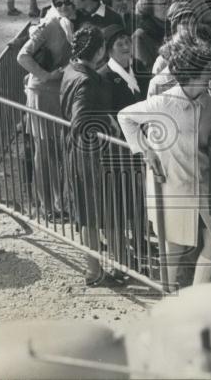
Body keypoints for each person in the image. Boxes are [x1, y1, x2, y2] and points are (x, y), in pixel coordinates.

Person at [118, 35, 211, 291]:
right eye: (209, 66)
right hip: (171, 183)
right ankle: (166, 292)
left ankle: (196, 295)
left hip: (201, 181)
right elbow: (125, 117)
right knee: (172, 245)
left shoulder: (210, 103)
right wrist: (145, 151)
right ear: (195, 71)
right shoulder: (163, 103)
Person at [60, 26, 122, 287]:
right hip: (91, 157)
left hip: (81, 154)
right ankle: (95, 271)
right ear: (98, 51)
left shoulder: (71, 70)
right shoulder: (86, 80)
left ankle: (98, 268)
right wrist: (107, 121)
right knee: (94, 216)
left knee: (92, 215)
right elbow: (81, 121)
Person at [17, 0, 75, 219]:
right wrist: (46, 75)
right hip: (43, 92)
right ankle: (47, 206)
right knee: (46, 151)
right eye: (64, 3)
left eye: (71, 3)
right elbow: (22, 55)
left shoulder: (69, 24)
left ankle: (58, 202)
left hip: (58, 90)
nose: (68, 7)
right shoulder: (51, 25)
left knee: (56, 150)